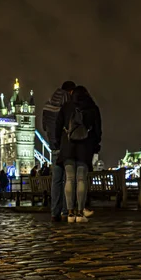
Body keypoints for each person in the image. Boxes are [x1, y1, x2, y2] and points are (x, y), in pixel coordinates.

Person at [56, 85, 102, 223]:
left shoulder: (66, 106)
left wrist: (60, 144)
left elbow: (57, 127)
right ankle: (80, 213)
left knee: (69, 179)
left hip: (67, 148)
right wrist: (94, 146)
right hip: (85, 148)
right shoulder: (92, 108)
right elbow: (98, 132)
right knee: (81, 179)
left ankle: (70, 214)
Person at [43, 80, 76, 221]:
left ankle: (54, 212)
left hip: (53, 145)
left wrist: (52, 139)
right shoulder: (67, 99)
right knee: (68, 179)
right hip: (64, 144)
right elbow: (69, 120)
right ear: (71, 91)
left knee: (56, 180)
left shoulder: (48, 103)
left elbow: (44, 126)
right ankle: (65, 211)